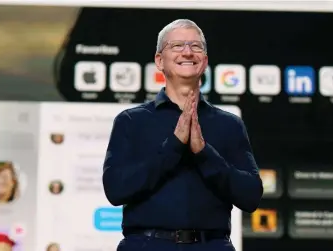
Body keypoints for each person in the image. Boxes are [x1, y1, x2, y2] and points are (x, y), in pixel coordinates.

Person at [102, 19, 263, 251]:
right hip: (147, 245)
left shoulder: (229, 124)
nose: (187, 52)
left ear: (205, 61)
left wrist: (204, 153)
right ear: (159, 60)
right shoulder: (131, 121)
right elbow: (116, 190)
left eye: (196, 46)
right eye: (177, 46)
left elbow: (251, 197)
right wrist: (174, 145)